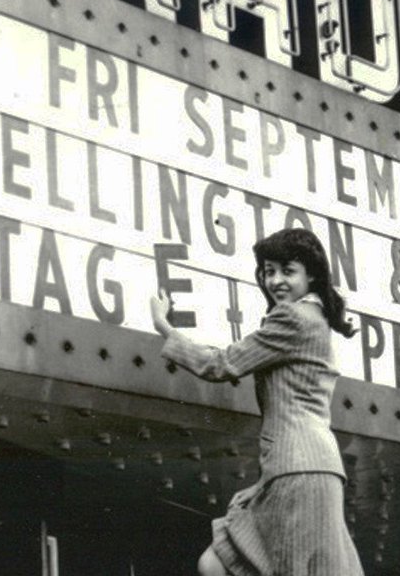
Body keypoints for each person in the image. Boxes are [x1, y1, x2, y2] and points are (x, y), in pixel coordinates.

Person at [149, 228, 364, 576]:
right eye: (268, 271)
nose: (275, 280)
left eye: (287, 270)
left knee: (222, 564)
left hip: (297, 467)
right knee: (216, 563)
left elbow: (222, 364)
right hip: (307, 467)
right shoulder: (316, 318)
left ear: (311, 274)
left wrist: (164, 327)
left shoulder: (294, 318)